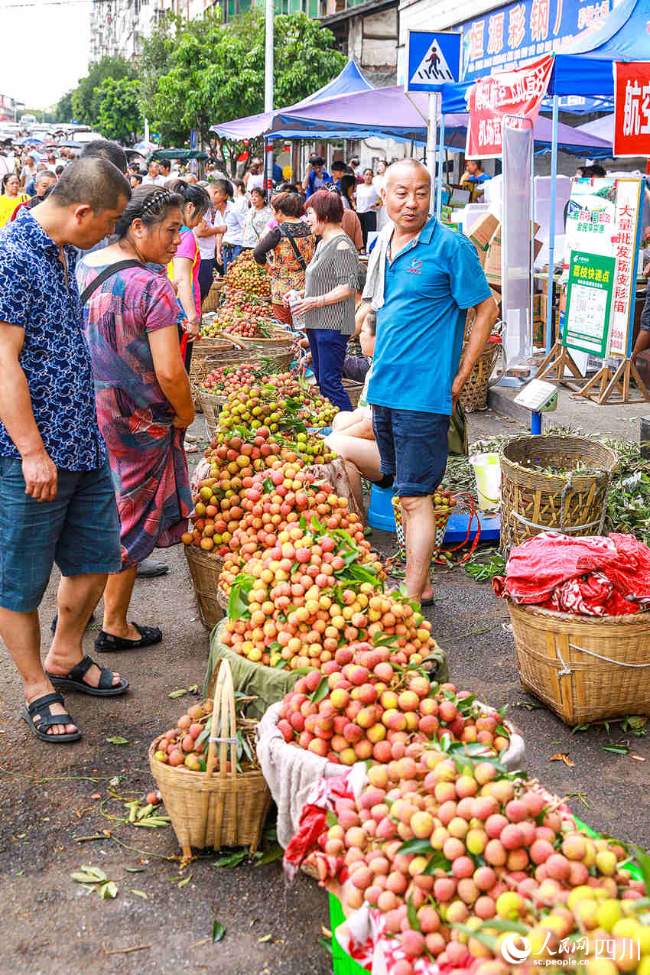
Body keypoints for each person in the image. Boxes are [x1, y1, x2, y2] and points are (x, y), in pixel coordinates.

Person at [0, 157, 131, 744]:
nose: (110, 233)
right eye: (108, 222)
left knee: (98, 557)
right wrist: (31, 450)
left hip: (84, 441)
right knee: (20, 580)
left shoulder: (65, 254)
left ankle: (65, 656)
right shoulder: (13, 258)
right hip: (31, 454)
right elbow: (3, 362)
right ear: (81, 212)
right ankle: (34, 686)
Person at [362, 159, 497, 604]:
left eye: (421, 192)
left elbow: (486, 309)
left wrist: (461, 373)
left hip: (423, 395)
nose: (411, 202)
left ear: (431, 195)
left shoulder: (451, 247)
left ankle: (413, 589)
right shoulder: (385, 241)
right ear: (383, 197)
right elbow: (382, 301)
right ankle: (422, 582)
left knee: (417, 497)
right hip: (384, 387)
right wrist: (368, 324)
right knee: (402, 490)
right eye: (401, 192)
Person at [77, 187, 194, 653]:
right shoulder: (152, 286)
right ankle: (115, 623)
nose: (178, 239)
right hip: (137, 423)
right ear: (138, 228)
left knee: (96, 514)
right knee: (128, 519)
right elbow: (169, 370)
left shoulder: (85, 264)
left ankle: (79, 613)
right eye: (170, 230)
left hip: (89, 412)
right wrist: (184, 414)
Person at [290, 190, 360, 411]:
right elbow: (324, 280)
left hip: (332, 324)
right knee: (322, 380)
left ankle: (347, 424)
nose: (306, 219)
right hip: (317, 322)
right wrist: (301, 294)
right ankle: (334, 425)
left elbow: (348, 287)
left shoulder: (342, 245)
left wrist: (315, 301)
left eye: (309, 213)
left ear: (323, 214)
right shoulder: (322, 243)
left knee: (330, 382)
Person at [253, 191, 315, 324]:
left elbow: (258, 253)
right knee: (305, 326)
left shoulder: (278, 231)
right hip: (307, 287)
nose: (273, 215)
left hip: (283, 290)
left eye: (273, 211)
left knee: (285, 327)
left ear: (280, 212)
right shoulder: (310, 228)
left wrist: (269, 268)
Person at [168, 179, 211, 368]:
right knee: (179, 366)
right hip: (181, 316)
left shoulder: (171, 232)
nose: (201, 220)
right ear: (190, 207)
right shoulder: (185, 237)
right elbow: (182, 278)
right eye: (201, 214)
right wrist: (192, 317)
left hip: (171, 310)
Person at [195, 181, 227, 304]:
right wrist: (220, 229)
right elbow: (200, 231)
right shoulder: (202, 208)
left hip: (206, 255)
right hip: (203, 255)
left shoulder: (206, 209)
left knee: (203, 290)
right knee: (201, 291)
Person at [216, 178, 245, 273]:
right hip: (226, 247)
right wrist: (218, 253)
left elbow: (244, 226)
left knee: (235, 273)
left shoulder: (234, 209)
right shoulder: (217, 212)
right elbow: (219, 233)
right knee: (227, 274)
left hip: (237, 246)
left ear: (225, 196)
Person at [356, 167, 381, 247]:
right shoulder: (359, 187)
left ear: (372, 177)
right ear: (363, 176)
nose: (368, 176)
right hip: (359, 212)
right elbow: (353, 197)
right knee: (360, 232)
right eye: (366, 174)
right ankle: (361, 248)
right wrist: (354, 205)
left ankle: (369, 249)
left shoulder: (375, 187)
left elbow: (382, 198)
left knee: (370, 233)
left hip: (370, 212)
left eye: (370, 175)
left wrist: (376, 204)